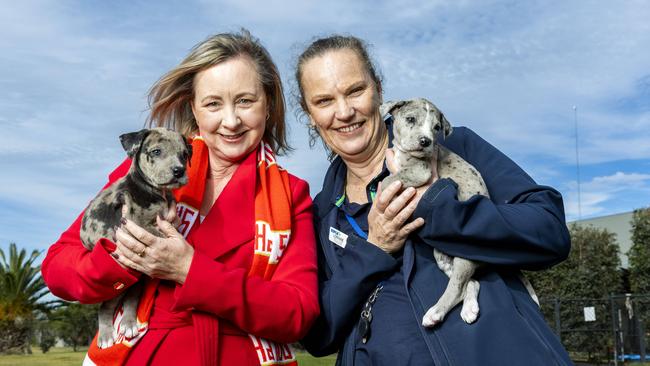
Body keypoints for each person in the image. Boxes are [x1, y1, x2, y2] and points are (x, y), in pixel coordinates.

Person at [42, 30, 319, 366]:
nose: (230, 121)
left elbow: (298, 312)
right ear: (195, 108)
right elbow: (58, 267)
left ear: (268, 103)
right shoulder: (144, 169)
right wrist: (121, 258)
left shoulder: (291, 193)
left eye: (245, 101)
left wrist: (190, 270)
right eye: (213, 103)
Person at [295, 35, 573, 365]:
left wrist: (440, 205)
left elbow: (550, 230)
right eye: (324, 101)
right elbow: (318, 334)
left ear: (379, 91)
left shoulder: (456, 149)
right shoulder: (322, 213)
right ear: (310, 114)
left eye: (355, 91)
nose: (344, 111)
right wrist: (374, 249)